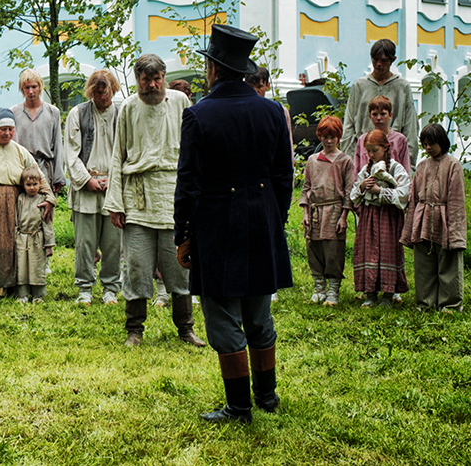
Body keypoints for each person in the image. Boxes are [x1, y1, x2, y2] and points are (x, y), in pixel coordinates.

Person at [174, 25, 294, 424]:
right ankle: (267, 395)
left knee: (223, 318)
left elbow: (188, 184)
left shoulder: (198, 114)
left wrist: (183, 235)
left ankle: (240, 406)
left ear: (212, 67)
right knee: (259, 311)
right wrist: (275, 218)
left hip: (217, 224)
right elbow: (283, 176)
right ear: (242, 68)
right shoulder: (273, 110)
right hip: (263, 220)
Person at [105, 54, 205, 347]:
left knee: (179, 264)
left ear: (164, 76)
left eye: (156, 78)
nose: (151, 85)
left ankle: (185, 329)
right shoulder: (128, 108)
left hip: (174, 192)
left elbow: (194, 150)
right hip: (138, 195)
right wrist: (116, 202)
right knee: (136, 264)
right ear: (137, 80)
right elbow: (117, 154)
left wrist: (195, 194)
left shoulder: (180, 102)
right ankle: (134, 329)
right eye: (145, 80)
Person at [0, 107, 55, 295]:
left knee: (13, 244)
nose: (7, 133)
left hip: (15, 203)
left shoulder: (20, 151)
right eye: (2, 129)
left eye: (10, 129)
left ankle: (12, 286)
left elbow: (37, 175)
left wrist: (50, 198)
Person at [64, 70, 122, 306]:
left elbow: (127, 151)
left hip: (113, 185)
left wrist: (116, 179)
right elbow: (70, 152)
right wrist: (86, 179)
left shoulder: (121, 113)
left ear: (113, 91)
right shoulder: (77, 114)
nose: (102, 97)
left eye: (106, 93)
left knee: (113, 243)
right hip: (86, 185)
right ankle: (85, 288)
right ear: (91, 92)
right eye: (98, 93)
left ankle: (111, 288)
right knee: (85, 243)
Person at [401, 124, 465, 312]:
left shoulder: (453, 165)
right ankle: (425, 303)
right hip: (423, 219)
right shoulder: (421, 166)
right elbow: (414, 199)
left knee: (448, 263)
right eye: (425, 144)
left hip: (444, 219)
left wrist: (454, 232)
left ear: (442, 142)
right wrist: (410, 228)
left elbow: (456, 200)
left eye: (432, 143)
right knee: (424, 266)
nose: (428, 148)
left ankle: (449, 304)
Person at [350, 129, 410, 308]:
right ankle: (370, 293)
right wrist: (362, 186)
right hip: (369, 217)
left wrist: (380, 191)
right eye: (368, 151)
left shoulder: (396, 168)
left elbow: (404, 193)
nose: (370, 154)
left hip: (389, 217)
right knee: (368, 251)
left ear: (385, 148)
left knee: (388, 251)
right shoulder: (366, 169)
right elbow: (354, 194)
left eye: (374, 150)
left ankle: (388, 294)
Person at [299, 116, 354, 306]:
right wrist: (306, 212)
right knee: (314, 248)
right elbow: (306, 188)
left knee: (333, 249)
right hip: (315, 211)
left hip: (334, 210)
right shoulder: (313, 160)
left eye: (333, 137)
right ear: (319, 137)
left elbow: (349, 190)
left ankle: (333, 290)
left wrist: (344, 216)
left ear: (338, 137)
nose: (329, 141)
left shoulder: (345, 161)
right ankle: (319, 287)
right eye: (325, 137)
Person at [342, 39, 418, 167]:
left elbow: (410, 127)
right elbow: (349, 124)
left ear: (393, 60)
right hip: (364, 154)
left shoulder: (402, 87)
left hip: (393, 155)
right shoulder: (360, 85)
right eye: (375, 60)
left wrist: (408, 162)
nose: (378, 64)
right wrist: (348, 158)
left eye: (383, 60)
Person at [11, 69, 66, 194]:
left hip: (45, 170)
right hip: (22, 171)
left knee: (45, 209)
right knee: (23, 210)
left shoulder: (52, 112)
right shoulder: (14, 112)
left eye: (34, 87)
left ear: (40, 87)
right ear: (22, 89)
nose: (31, 91)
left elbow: (58, 145)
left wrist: (58, 176)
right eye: (27, 87)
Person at [15, 166, 54, 303]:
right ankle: (22, 294)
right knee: (22, 266)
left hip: (37, 238)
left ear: (40, 184)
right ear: (23, 185)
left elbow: (47, 224)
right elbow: (16, 218)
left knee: (37, 265)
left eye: (35, 184)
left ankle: (38, 295)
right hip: (22, 237)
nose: (32, 188)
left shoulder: (43, 200)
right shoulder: (20, 199)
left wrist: (49, 244)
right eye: (28, 185)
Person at [354, 95, 411, 175]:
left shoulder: (399, 139)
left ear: (390, 115)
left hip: (394, 185)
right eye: (375, 114)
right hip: (368, 184)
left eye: (383, 114)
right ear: (370, 116)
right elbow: (357, 169)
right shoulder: (362, 139)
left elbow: (406, 168)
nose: (378, 118)